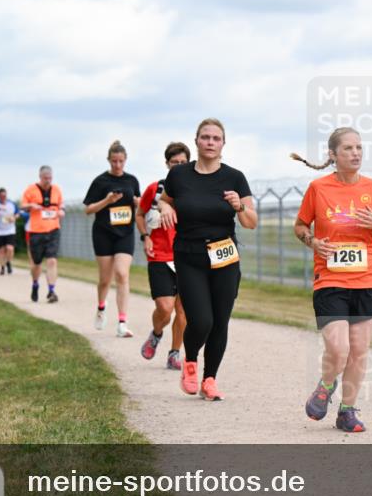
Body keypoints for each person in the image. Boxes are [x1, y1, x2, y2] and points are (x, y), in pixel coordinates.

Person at [292, 127, 372, 433]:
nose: (356, 153)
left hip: (367, 279)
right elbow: (300, 226)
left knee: (359, 350)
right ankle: (325, 385)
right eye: (348, 148)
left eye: (359, 148)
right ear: (333, 155)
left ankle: (347, 411)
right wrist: (313, 242)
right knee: (338, 349)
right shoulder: (318, 188)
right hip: (330, 280)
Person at [158, 118, 257, 400]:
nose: (210, 142)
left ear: (223, 144)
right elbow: (166, 199)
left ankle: (210, 379)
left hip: (224, 256)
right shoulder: (179, 176)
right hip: (189, 255)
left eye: (216, 138)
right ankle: (190, 362)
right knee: (200, 320)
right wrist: (165, 207)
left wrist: (239, 206)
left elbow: (251, 221)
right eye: (205, 137)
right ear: (196, 141)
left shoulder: (234, 177)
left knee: (220, 321)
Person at [137, 142, 189, 369]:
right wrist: (145, 236)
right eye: (174, 162)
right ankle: (157, 333)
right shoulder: (154, 190)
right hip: (159, 255)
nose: (178, 166)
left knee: (183, 311)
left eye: (183, 163)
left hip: (186, 255)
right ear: (167, 164)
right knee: (165, 308)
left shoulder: (194, 191)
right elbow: (139, 214)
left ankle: (174, 353)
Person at [84, 140, 142, 337]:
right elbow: (88, 209)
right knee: (105, 279)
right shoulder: (100, 181)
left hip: (125, 233)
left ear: (125, 161)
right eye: (114, 161)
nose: (117, 165)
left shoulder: (132, 181)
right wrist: (107, 200)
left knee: (122, 274)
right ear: (109, 160)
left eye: (121, 161)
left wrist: (137, 202)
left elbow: (140, 206)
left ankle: (122, 323)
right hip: (103, 233)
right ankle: (101, 307)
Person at [20, 166, 64, 302]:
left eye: (50, 178)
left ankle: (51, 291)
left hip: (53, 229)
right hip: (36, 231)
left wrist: (61, 211)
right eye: (45, 178)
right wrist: (31, 206)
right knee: (36, 263)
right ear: (40, 177)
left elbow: (61, 205)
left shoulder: (56, 189)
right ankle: (35, 284)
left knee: (52, 261)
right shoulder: (30, 189)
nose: (48, 181)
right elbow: (22, 206)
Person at [0, 188, 18, 275]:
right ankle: (2, 267)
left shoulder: (12, 204)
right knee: (1, 250)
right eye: (1, 196)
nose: (3, 197)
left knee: (10, 248)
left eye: (5, 195)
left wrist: (14, 218)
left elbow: (18, 213)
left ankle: (8, 262)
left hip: (10, 230)